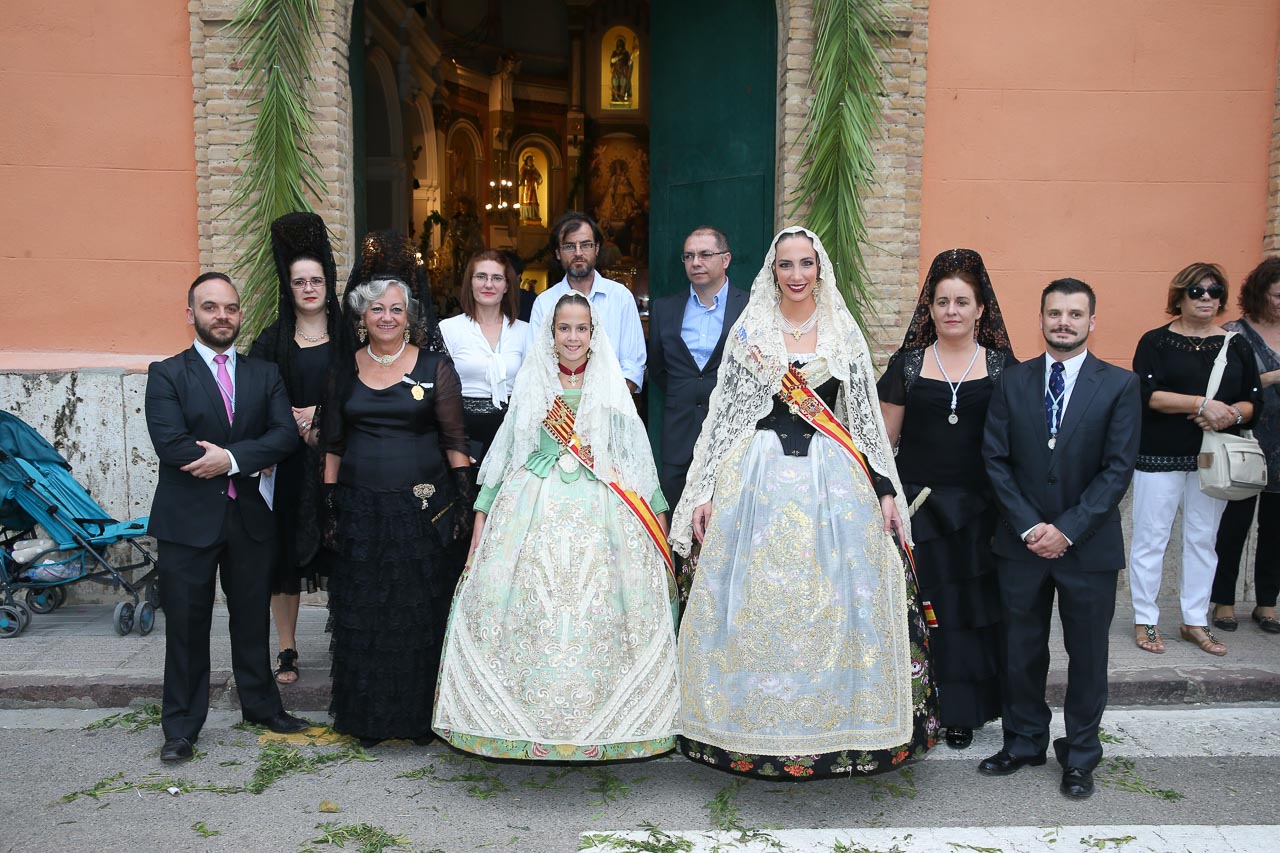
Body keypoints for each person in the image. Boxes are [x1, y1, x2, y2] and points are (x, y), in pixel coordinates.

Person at [670, 226, 937, 780]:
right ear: (773, 271)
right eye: (786, 265)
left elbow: (864, 423)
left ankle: (839, 727)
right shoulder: (752, 331)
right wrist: (703, 491)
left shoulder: (842, 331)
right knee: (754, 601)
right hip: (758, 476)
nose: (796, 275)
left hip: (832, 480)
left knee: (841, 598)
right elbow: (726, 419)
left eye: (805, 264)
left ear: (820, 269)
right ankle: (750, 728)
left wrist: (886, 491)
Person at [433, 293, 679, 761]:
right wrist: (483, 519)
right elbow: (507, 454)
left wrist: (658, 522)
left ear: (594, 334)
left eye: (580, 329)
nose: (572, 337)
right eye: (563, 329)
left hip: (601, 503)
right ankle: (526, 721)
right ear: (551, 335)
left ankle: (603, 719)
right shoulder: (534, 383)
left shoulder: (610, 386)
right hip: (535, 500)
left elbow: (633, 457)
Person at [981, 277, 1140, 800]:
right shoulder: (1012, 381)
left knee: (1087, 655)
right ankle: (1024, 742)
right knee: (1020, 650)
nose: (1064, 323)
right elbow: (996, 460)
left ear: (1092, 321)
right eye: (1054, 314)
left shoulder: (1119, 385)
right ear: (1041, 318)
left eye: (1075, 314)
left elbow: (1117, 470)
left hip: (1088, 547)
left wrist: (1067, 530)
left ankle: (1079, 756)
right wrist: (1031, 527)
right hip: (1021, 546)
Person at [145, 272, 310, 763]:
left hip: (249, 517)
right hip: (186, 521)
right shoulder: (167, 374)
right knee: (188, 626)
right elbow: (171, 444)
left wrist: (230, 460)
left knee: (250, 619)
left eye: (231, 308)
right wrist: (242, 456)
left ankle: (261, 707)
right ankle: (180, 727)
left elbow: (284, 436)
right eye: (211, 307)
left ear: (241, 314)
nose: (223, 316)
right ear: (191, 313)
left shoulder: (264, 374)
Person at [322, 268, 473, 746]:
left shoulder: (434, 367)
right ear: (362, 317)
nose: (387, 316)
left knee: (417, 616)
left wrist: (466, 503)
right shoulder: (343, 367)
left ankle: (417, 721)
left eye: (396, 308)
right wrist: (328, 504)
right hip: (360, 510)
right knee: (366, 614)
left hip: (421, 511)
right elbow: (333, 443)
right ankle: (369, 721)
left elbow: (454, 441)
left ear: (409, 317)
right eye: (377, 308)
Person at [878, 248, 1017, 751]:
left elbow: (1016, 444)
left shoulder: (1003, 368)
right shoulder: (908, 366)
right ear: (930, 309)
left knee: (970, 613)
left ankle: (963, 711)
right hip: (921, 512)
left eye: (963, 301)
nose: (952, 310)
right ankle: (917, 705)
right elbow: (883, 443)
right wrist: (885, 497)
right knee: (923, 610)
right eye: (942, 302)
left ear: (981, 309)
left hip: (983, 511)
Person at [1128, 263, 1262, 657]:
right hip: (1159, 453)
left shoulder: (1235, 344)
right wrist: (1201, 404)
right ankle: (1145, 619)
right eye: (1197, 291)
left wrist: (1229, 414)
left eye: (1215, 291)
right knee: (1151, 538)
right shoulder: (1155, 341)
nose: (1207, 298)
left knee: (1204, 539)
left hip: (1214, 457)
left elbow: (1255, 401)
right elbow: (1148, 395)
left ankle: (1194, 621)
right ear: (1179, 296)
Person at [248, 212, 342, 685]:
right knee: (284, 558)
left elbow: (363, 391)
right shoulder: (272, 341)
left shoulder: (349, 338)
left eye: (316, 280)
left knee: (343, 552)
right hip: (286, 463)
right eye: (299, 281)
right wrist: (294, 421)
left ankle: (347, 642)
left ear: (328, 284)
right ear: (290, 287)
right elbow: (255, 394)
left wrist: (319, 421)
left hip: (339, 459)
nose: (309, 288)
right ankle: (286, 648)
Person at [647, 227, 749, 512]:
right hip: (679, 436)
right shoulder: (664, 309)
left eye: (705, 254)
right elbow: (658, 370)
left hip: (732, 436)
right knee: (674, 523)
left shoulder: (752, 308)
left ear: (725, 259)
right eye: (689, 256)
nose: (696, 262)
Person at [1212, 258, 1280, 635]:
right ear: (1260, 293)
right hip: (1246, 443)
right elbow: (1225, 389)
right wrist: (1270, 377)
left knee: (1276, 530)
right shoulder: (1234, 334)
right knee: (1233, 526)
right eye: (1277, 295)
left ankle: (1267, 603)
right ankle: (1223, 600)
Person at [528, 212, 646, 391]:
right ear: (558, 253)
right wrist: (567, 411)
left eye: (585, 245)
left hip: (611, 409)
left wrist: (603, 407)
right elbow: (535, 367)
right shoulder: (544, 303)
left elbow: (632, 367)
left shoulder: (620, 298)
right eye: (569, 246)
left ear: (597, 248)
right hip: (558, 412)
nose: (578, 253)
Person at [440, 250, 532, 464]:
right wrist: (454, 443)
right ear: (470, 283)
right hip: (463, 436)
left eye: (497, 278)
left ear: (507, 285)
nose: (488, 284)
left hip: (512, 436)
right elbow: (438, 394)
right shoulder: (448, 329)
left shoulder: (525, 332)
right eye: (481, 276)